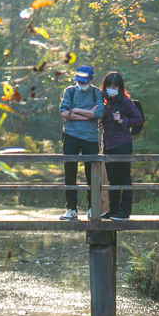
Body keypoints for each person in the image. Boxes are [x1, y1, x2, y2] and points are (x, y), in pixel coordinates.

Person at [59, 65, 104, 220]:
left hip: (90, 138)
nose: (82, 84)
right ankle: (71, 208)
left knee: (92, 174)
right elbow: (64, 112)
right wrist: (88, 115)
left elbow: (99, 113)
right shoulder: (69, 91)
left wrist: (76, 111)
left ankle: (92, 208)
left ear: (92, 79)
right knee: (70, 173)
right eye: (80, 82)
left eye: (85, 82)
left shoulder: (97, 92)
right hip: (70, 136)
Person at [99, 71, 143, 220]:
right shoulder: (105, 102)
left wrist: (122, 121)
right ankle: (114, 210)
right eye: (109, 86)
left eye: (115, 86)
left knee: (124, 178)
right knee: (113, 179)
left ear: (119, 87)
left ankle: (125, 212)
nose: (112, 88)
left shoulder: (125, 101)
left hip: (122, 143)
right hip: (108, 144)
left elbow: (138, 119)